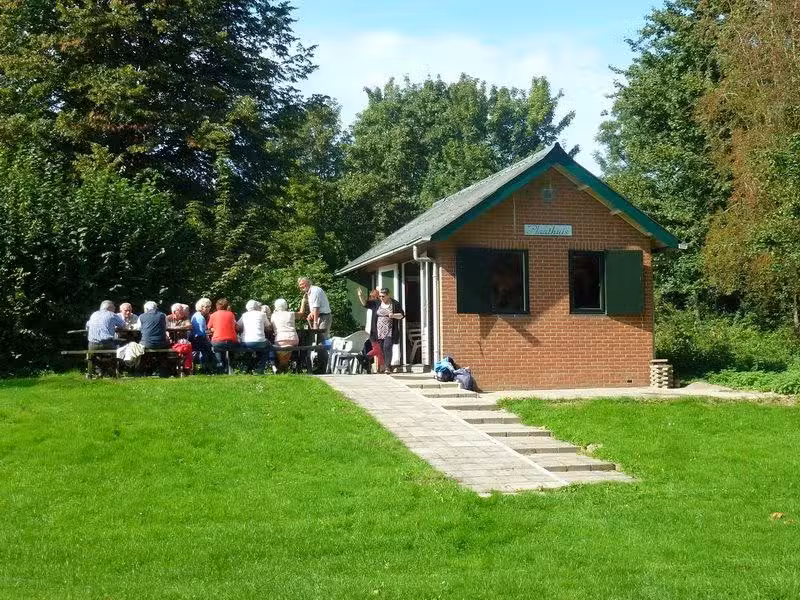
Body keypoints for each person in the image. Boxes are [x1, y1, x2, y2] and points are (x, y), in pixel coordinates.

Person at [357, 287, 404, 374]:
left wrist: (393, 315)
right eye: (380, 296)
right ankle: (379, 365)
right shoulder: (376, 303)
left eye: (383, 296)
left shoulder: (395, 304)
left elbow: (401, 315)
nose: (381, 298)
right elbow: (365, 304)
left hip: (390, 330)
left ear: (388, 295)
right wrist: (360, 295)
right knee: (381, 349)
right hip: (377, 332)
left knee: (387, 347)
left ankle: (387, 367)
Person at [270, 297, 307, 371]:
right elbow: (301, 313)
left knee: (273, 348)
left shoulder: (273, 315)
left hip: (280, 340)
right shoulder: (291, 314)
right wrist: (303, 302)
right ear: (286, 305)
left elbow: (271, 327)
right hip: (293, 339)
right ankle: (287, 366)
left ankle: (280, 367)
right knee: (291, 348)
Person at [238, 300, 271, 374]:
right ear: (257, 306)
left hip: (246, 342)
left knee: (248, 351)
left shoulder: (244, 315)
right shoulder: (262, 314)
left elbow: (238, 326)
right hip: (260, 342)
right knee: (268, 346)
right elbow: (268, 327)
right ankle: (261, 368)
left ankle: (245, 368)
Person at [207, 298, 238, 373]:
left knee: (218, 350)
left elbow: (209, 327)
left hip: (218, 341)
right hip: (232, 341)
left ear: (217, 306)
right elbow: (235, 326)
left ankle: (220, 367)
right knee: (231, 351)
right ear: (227, 306)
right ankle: (231, 368)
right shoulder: (231, 314)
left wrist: (213, 329)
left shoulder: (213, 315)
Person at [190, 298, 214, 370]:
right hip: (199, 339)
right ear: (201, 307)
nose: (208, 309)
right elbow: (201, 333)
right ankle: (209, 368)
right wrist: (210, 332)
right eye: (206, 307)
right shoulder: (200, 317)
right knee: (211, 349)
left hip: (196, 338)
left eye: (209, 307)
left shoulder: (196, 315)